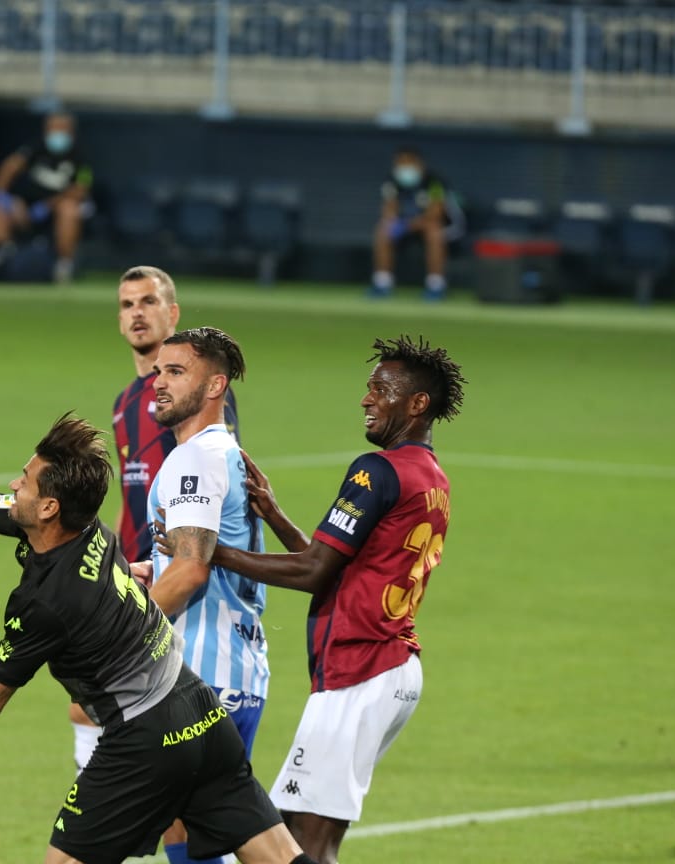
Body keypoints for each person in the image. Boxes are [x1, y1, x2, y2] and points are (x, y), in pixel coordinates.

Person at [0, 414, 315, 864]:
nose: (15, 484)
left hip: (144, 742)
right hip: (202, 714)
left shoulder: (46, 602)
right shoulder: (86, 530)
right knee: (278, 856)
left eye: (25, 479)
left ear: (48, 506)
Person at [163, 335, 466, 864]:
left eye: (380, 390)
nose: (367, 399)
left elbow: (312, 571)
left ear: (418, 404)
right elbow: (333, 568)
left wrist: (210, 553)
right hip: (388, 667)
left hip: (362, 669)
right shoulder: (430, 476)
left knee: (305, 846)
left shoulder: (378, 470)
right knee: (279, 836)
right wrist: (276, 516)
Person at [69, 268, 244, 791]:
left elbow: (212, 487)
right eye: (126, 304)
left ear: (173, 314)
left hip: (179, 587)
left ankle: (100, 821)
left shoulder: (191, 401)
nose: (137, 313)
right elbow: (132, 497)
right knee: (88, 704)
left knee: (101, 705)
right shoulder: (126, 403)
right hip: (137, 570)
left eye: (149, 301)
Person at [145, 327, 268, 864]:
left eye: (176, 373)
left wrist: (118, 627)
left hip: (202, 676)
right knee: (193, 829)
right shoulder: (223, 454)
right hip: (232, 669)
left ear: (216, 384)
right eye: (158, 372)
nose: (160, 383)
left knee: (203, 830)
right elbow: (194, 559)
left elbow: (192, 571)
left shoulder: (194, 460)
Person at [0, 111, 92, 284]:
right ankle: (4, 256)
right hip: (24, 206)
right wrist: (3, 197)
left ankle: (63, 266)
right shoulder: (33, 149)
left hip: (55, 208)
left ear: (71, 131)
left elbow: (81, 189)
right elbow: (9, 167)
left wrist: (48, 205)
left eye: (62, 129)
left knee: (69, 210)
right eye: (54, 128)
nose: (58, 133)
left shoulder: (81, 157)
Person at [370, 147, 465, 302]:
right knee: (383, 230)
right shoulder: (391, 181)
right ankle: (382, 283)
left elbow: (435, 213)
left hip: (442, 228)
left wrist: (408, 225)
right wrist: (392, 221)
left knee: (433, 231)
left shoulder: (434, 182)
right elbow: (389, 208)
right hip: (406, 228)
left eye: (408, 163)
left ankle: (436, 286)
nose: (404, 167)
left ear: (419, 164)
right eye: (400, 163)